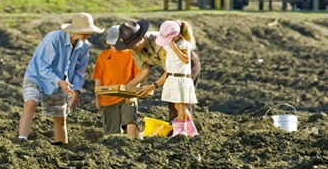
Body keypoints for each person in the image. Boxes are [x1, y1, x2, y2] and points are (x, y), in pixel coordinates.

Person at [17, 12, 104, 145]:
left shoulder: (84, 46)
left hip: (59, 82)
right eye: (85, 32)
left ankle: (62, 146)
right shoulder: (53, 38)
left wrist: (75, 91)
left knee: (60, 117)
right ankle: (21, 139)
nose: (88, 35)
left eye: (89, 32)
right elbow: (42, 65)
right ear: (73, 30)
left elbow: (79, 71)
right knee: (30, 104)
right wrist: (59, 81)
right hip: (36, 77)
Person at [115, 19, 200, 126]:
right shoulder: (135, 50)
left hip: (184, 66)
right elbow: (144, 71)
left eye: (133, 45)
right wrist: (128, 90)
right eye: (129, 46)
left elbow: (170, 71)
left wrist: (153, 86)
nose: (132, 48)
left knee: (179, 100)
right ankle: (178, 129)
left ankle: (182, 131)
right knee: (173, 99)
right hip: (170, 69)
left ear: (141, 38)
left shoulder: (160, 44)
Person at [92, 25, 140, 138]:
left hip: (127, 93)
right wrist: (97, 97)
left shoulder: (132, 55)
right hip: (107, 95)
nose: (115, 47)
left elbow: (138, 77)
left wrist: (133, 94)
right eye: (113, 45)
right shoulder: (103, 56)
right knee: (111, 130)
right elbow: (98, 78)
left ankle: (133, 142)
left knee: (131, 119)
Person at [154, 20, 198, 137]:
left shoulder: (183, 44)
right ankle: (191, 130)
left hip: (181, 79)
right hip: (172, 77)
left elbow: (186, 60)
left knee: (181, 106)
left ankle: (181, 130)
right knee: (177, 105)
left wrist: (175, 49)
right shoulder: (169, 46)